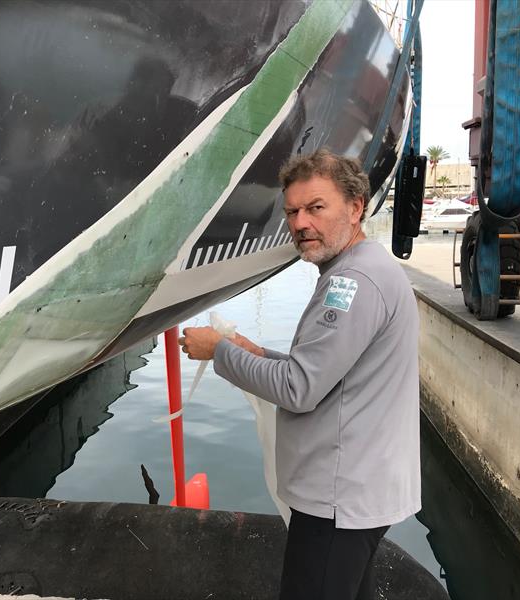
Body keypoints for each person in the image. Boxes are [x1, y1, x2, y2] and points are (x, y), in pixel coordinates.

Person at [179, 149, 421, 600]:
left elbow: (299, 388)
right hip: (358, 490)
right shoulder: (359, 268)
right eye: (292, 211)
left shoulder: (353, 284)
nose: (300, 223)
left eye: (316, 208)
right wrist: (254, 351)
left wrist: (219, 353)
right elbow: (325, 371)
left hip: (338, 500)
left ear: (355, 206)